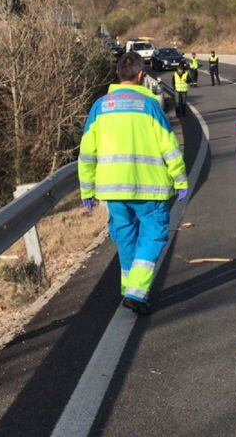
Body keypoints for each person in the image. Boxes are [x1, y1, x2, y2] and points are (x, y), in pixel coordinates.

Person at [79, 51, 189, 315]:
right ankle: (136, 292)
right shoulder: (150, 106)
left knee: (125, 237)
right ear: (141, 76)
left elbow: (87, 153)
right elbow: (169, 148)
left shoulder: (99, 107)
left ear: (118, 74)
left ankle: (129, 289)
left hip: (112, 191)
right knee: (152, 236)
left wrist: (87, 189)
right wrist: (180, 181)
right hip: (150, 189)